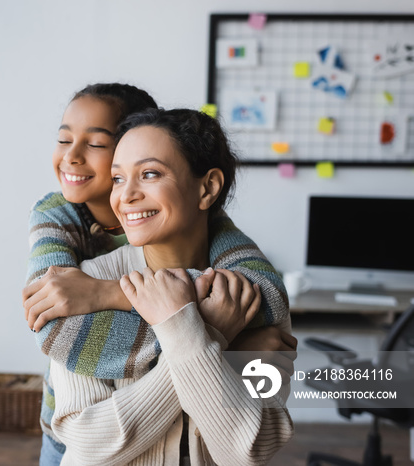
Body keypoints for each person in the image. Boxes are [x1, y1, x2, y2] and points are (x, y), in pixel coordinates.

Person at [23, 84, 295, 464]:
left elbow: (249, 450)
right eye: (118, 178)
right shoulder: (75, 284)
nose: (127, 194)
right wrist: (214, 336)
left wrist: (181, 322)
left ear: (208, 188)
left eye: (150, 173)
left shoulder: (249, 293)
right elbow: (86, 450)